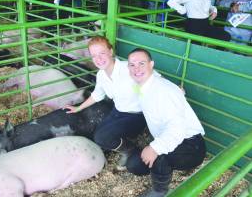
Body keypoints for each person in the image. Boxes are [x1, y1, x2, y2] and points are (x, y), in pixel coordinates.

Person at [126, 48, 206, 197]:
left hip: (191, 146)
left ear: (151, 65)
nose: (136, 68)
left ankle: (160, 191)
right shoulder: (143, 85)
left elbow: (177, 129)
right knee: (134, 165)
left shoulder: (163, 90)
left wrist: (154, 148)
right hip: (173, 138)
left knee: (158, 155)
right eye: (132, 65)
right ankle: (168, 164)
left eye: (141, 63)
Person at [65, 36, 147, 169]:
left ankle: (130, 150)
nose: (98, 59)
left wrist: (175, 90)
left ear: (110, 51)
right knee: (98, 134)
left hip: (137, 114)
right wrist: (78, 108)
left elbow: (153, 78)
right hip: (118, 110)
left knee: (101, 138)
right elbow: (97, 95)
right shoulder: (101, 75)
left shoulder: (128, 69)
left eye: (102, 53)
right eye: (94, 55)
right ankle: (124, 141)